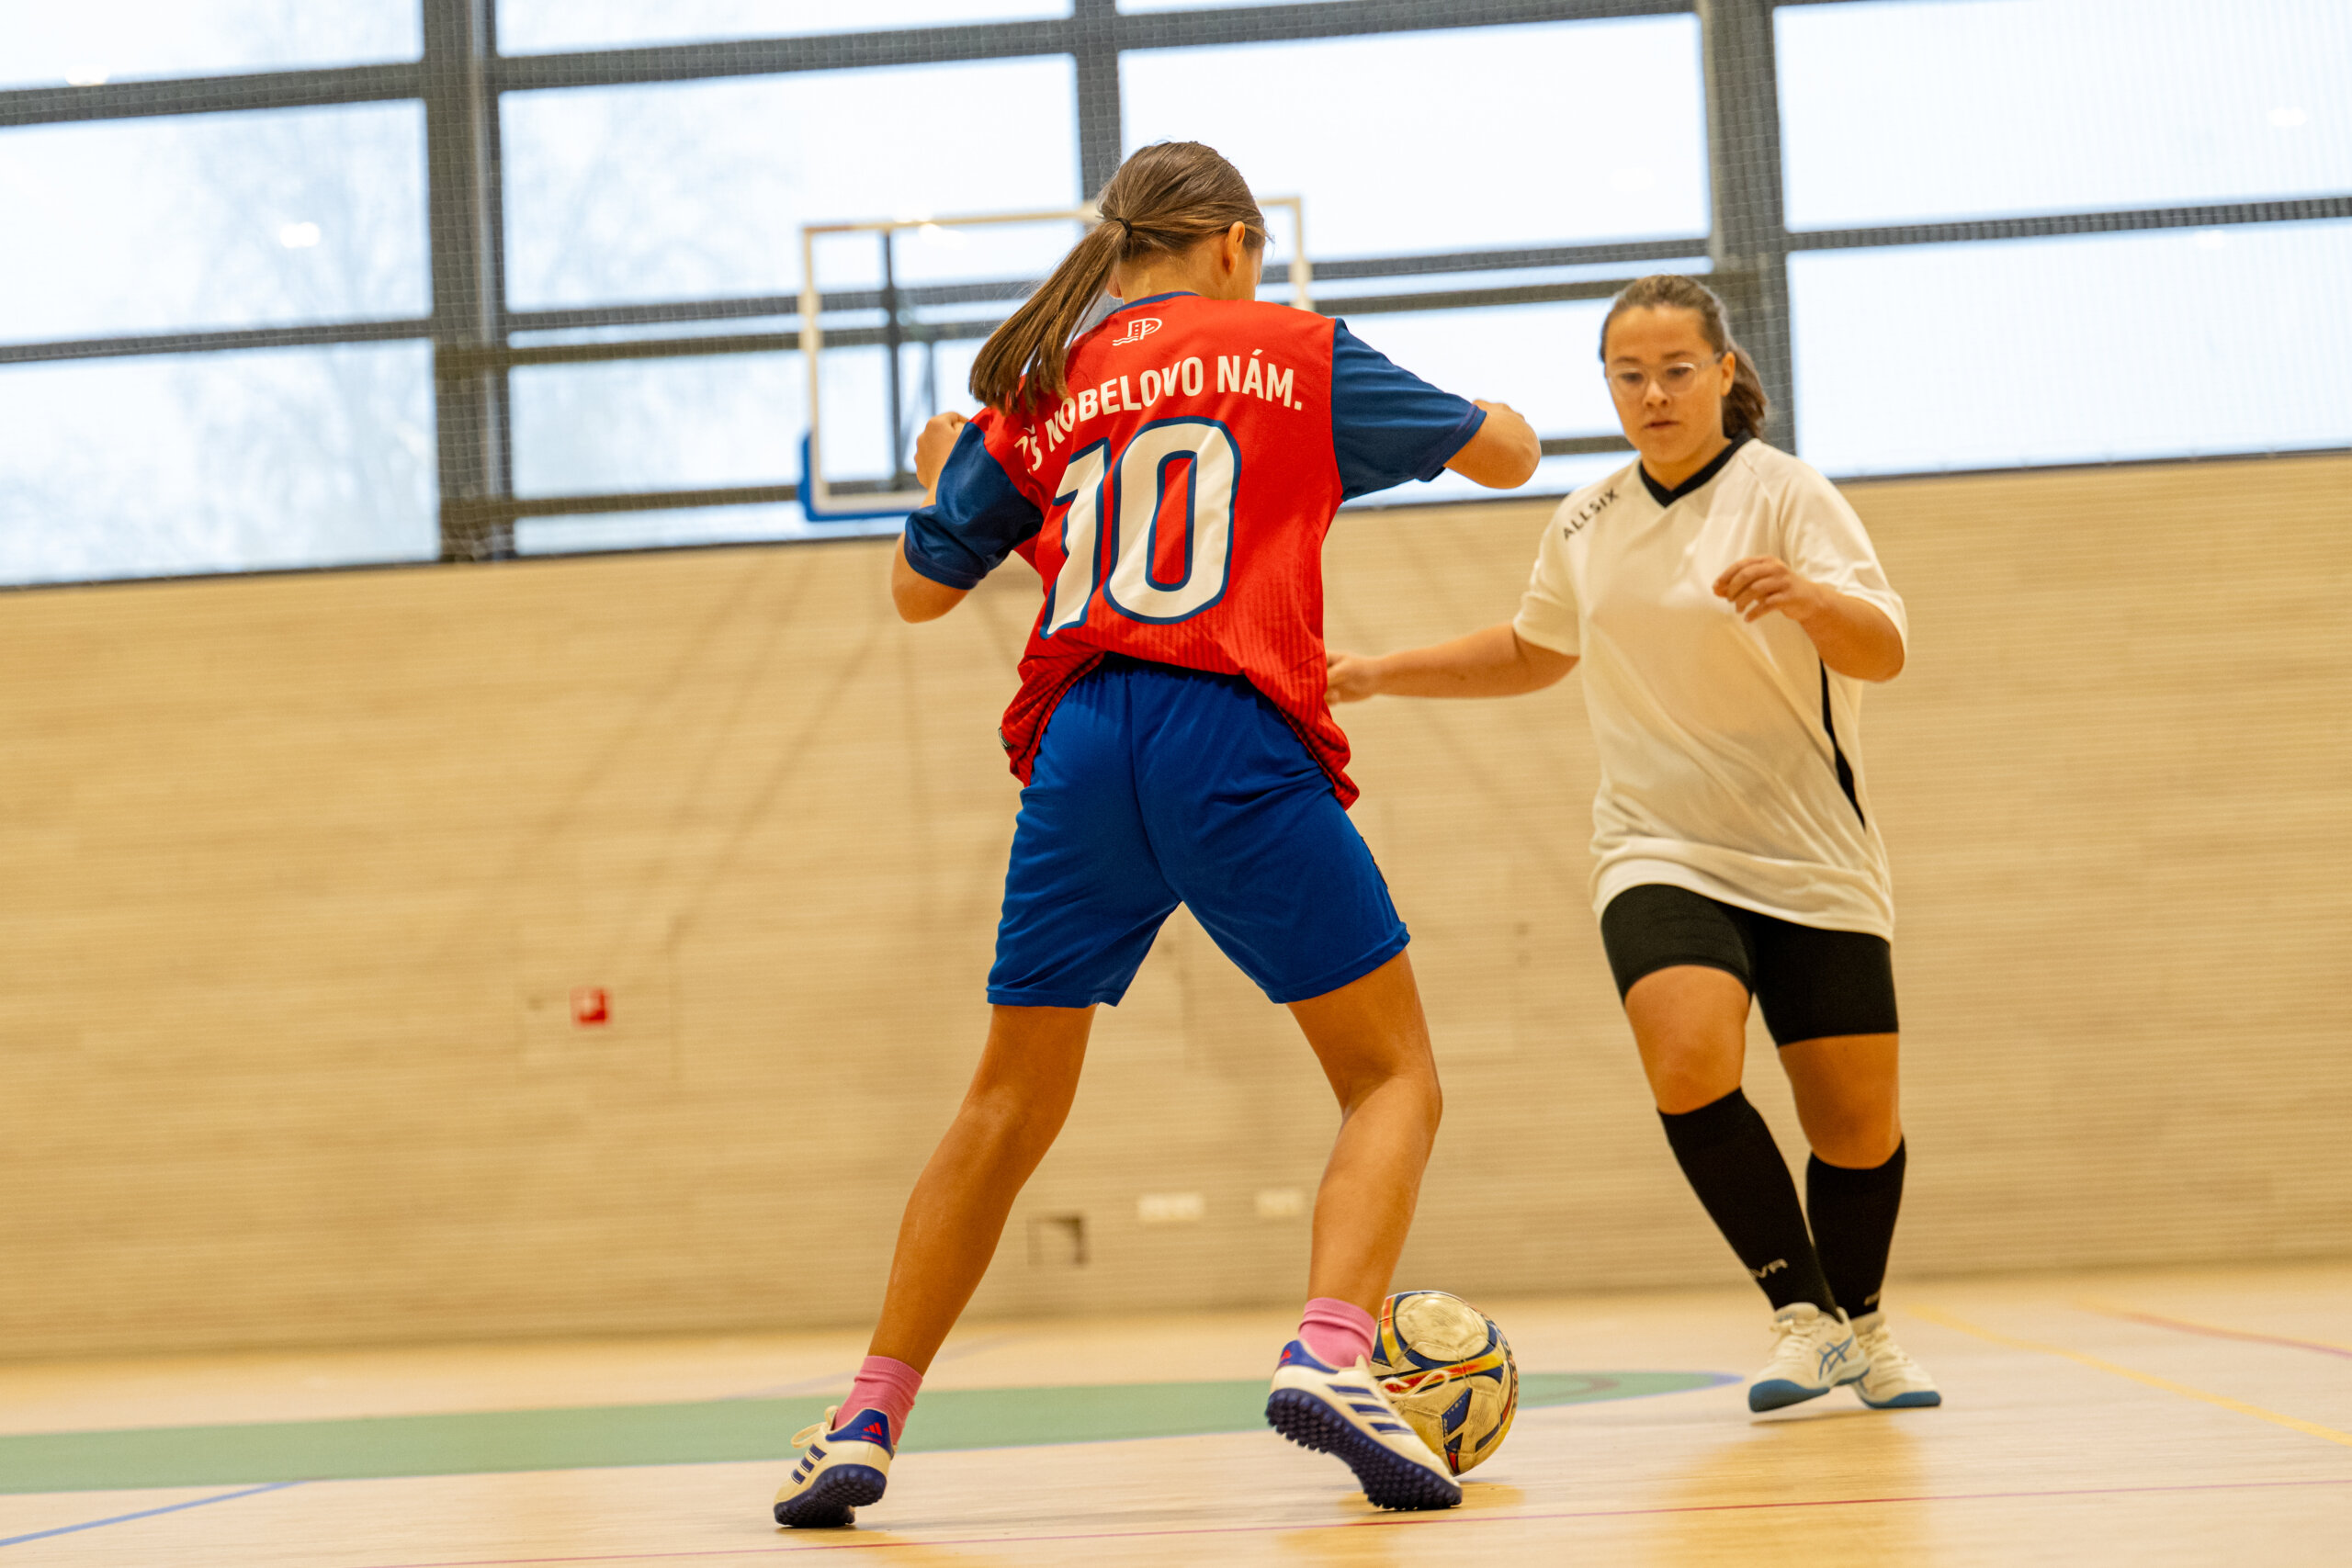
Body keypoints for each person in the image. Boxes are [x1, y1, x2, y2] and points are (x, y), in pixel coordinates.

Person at [771, 141, 1542, 1529]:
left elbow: (917, 592)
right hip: (1229, 730)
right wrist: (1489, 409)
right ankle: (1332, 1353)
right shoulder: (1293, 350)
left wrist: (945, 475)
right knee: (1391, 1074)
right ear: (1236, 244)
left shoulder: (1041, 385)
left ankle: (863, 1419)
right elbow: (1507, 459)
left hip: (1079, 751)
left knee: (1005, 1102)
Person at [1326, 274, 1940, 1416]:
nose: (1653, 394)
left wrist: (1808, 598)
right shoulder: (1585, 519)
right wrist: (1377, 673)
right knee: (1687, 1059)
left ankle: (1861, 1323)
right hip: (1657, 849)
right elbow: (1531, 650)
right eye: (1629, 375)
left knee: (1855, 1127)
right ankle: (1801, 1316)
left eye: (1675, 371)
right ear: (1607, 386)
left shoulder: (1788, 493)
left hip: (1813, 857)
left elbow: (1884, 650)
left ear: (1722, 373)